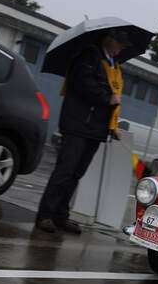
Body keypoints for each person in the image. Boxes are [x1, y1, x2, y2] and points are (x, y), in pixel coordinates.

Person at [35, 29, 129, 233]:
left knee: (76, 174)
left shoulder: (115, 66)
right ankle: (45, 215)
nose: (121, 48)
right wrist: (107, 98)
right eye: (119, 43)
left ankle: (61, 215)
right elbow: (82, 85)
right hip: (77, 124)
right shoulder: (88, 57)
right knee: (64, 170)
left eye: (123, 46)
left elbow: (114, 95)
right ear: (109, 39)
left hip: (96, 128)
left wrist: (113, 127)